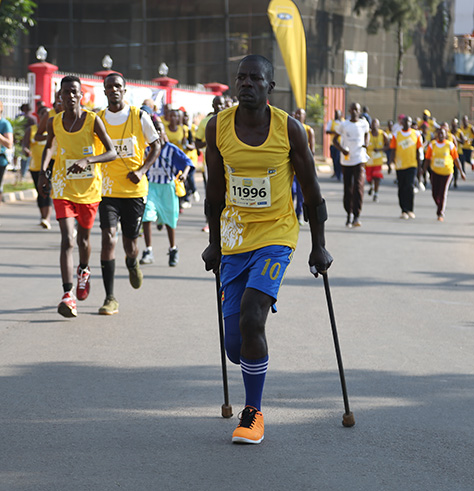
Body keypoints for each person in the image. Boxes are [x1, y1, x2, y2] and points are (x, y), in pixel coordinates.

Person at [202, 54, 332, 445]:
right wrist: (213, 243)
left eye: (254, 78)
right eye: (240, 78)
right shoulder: (217, 127)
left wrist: (319, 246)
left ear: (270, 86)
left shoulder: (290, 130)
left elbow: (311, 191)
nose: (246, 84)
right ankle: (251, 366)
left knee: (253, 313)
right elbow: (214, 190)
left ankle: (253, 412)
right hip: (234, 237)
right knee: (235, 345)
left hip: (277, 235)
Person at [38, 75, 118, 318]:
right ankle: (67, 294)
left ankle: (84, 270)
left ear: (81, 95)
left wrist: (88, 160)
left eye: (75, 92)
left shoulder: (92, 120)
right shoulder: (55, 122)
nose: (70, 96)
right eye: (66, 92)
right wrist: (43, 171)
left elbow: (112, 152)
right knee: (68, 239)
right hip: (62, 186)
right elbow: (49, 145)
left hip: (89, 190)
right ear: (60, 97)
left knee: (83, 239)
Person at [95, 72, 161, 315]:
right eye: (109, 86)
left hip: (134, 191)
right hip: (107, 189)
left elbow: (156, 145)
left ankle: (132, 262)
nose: (113, 90)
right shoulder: (98, 118)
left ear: (124, 90)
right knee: (108, 238)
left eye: (118, 86)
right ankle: (110, 297)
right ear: (105, 91)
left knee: (130, 244)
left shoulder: (139, 116)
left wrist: (142, 170)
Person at [140, 117, 193, 267]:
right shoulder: (147, 149)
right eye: (154, 130)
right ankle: (148, 250)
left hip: (168, 187)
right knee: (147, 216)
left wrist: (184, 174)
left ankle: (173, 249)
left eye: (160, 130)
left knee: (170, 221)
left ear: (164, 133)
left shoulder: (171, 149)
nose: (157, 133)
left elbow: (187, 163)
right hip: (152, 187)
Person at [332, 102, 370, 227]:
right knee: (348, 188)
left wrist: (366, 143)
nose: (354, 111)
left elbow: (367, 134)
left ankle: (357, 216)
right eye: (352, 109)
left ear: (359, 111)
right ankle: (348, 214)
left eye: (356, 109)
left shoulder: (364, 123)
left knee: (358, 187)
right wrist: (342, 150)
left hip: (359, 158)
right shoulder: (344, 125)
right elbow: (334, 140)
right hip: (346, 160)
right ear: (349, 110)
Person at [195, 96, 227, 232]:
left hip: (228, 162)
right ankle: (209, 222)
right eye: (217, 105)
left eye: (222, 105)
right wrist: (210, 143)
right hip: (211, 164)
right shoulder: (205, 122)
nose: (219, 107)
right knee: (212, 193)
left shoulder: (231, 120)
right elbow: (197, 142)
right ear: (212, 105)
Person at [423, 126, 465, 221]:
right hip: (435, 171)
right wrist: (423, 170)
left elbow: (456, 159)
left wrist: (461, 172)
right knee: (434, 193)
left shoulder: (450, 145)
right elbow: (427, 159)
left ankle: (440, 213)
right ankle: (439, 204)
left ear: (446, 135)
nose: (441, 135)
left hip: (447, 172)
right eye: (439, 133)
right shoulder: (432, 145)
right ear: (437, 135)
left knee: (442, 192)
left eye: (443, 133)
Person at [388, 116, 423, 219]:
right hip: (400, 165)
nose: (407, 123)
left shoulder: (416, 134)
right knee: (401, 188)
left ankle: (410, 209)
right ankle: (403, 210)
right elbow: (393, 150)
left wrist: (419, 165)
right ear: (402, 123)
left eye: (409, 121)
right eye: (405, 121)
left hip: (412, 165)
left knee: (410, 186)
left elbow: (418, 150)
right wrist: (390, 163)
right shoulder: (396, 135)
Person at [27, 105, 53, 228]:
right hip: (35, 166)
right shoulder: (32, 130)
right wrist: (26, 150)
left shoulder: (53, 128)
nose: (45, 116)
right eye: (42, 114)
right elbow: (25, 145)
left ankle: (47, 218)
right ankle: (42, 216)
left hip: (50, 165)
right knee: (40, 191)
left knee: (48, 190)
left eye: (46, 114)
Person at [365, 117, 388, 201]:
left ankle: (376, 193)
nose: (374, 125)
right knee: (369, 178)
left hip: (378, 160)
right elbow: (365, 144)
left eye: (376, 124)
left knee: (377, 177)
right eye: (372, 124)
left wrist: (380, 149)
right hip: (369, 160)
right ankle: (371, 186)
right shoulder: (367, 134)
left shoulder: (383, 134)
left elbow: (388, 145)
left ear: (378, 125)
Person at [326, 109, 344, 181]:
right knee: (334, 160)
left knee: (339, 160)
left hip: (341, 145)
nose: (336, 115)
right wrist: (335, 132)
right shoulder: (331, 122)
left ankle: (340, 174)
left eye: (338, 114)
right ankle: (336, 173)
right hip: (333, 144)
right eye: (335, 114)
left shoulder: (343, 122)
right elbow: (327, 131)